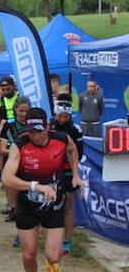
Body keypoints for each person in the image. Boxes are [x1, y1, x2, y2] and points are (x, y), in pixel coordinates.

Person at [2, 108, 84, 272]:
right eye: (31, 131)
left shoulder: (62, 138)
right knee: (29, 252)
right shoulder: (20, 145)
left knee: (53, 255)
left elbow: (72, 150)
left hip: (54, 202)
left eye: (39, 131)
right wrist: (35, 186)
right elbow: (7, 178)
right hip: (28, 204)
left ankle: (52, 264)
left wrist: (75, 174)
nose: (35, 136)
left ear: (47, 127)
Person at [49, 95, 83, 254]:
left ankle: (67, 240)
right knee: (50, 204)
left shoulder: (75, 129)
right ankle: (50, 236)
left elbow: (80, 154)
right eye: (60, 116)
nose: (62, 119)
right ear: (55, 114)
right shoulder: (49, 125)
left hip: (68, 171)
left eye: (66, 116)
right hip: (52, 170)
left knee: (68, 206)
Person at [0, 96, 31, 247]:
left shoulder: (34, 125)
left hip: (31, 167)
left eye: (26, 111)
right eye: (21, 111)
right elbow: (2, 149)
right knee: (17, 204)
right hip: (13, 167)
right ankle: (20, 233)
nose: (24, 114)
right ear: (15, 110)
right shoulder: (9, 126)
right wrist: (16, 153)